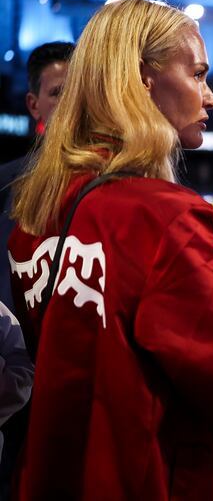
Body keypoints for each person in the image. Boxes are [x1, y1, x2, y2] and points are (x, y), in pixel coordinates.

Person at [8, 0, 213, 500]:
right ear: (143, 80)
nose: (210, 97)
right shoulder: (163, 216)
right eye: (199, 74)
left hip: (58, 476)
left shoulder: (35, 214)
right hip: (158, 478)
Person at [0, 41, 73, 498]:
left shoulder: (123, 186)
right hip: (19, 385)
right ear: (34, 103)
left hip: (89, 385)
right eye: (57, 92)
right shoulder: (6, 183)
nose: (69, 105)